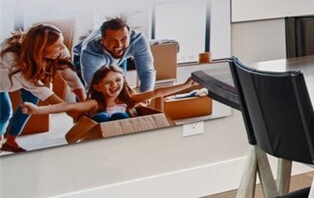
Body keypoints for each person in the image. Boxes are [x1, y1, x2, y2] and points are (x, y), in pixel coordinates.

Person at [1, 24, 83, 154]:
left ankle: (10, 142)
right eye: (58, 45)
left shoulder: (60, 50)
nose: (62, 48)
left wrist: (83, 103)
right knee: (4, 113)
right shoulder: (12, 57)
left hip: (26, 79)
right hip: (3, 84)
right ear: (41, 49)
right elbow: (40, 90)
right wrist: (70, 110)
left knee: (30, 104)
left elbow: (71, 76)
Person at [23, 66, 201, 125]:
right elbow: (67, 107)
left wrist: (185, 86)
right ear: (98, 87)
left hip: (126, 138)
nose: (115, 85)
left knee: (121, 115)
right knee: (101, 116)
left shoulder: (128, 100)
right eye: (108, 82)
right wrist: (37, 110)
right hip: (102, 141)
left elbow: (156, 93)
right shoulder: (94, 103)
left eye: (118, 80)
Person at [76, 16, 157, 93]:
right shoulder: (90, 53)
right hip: (81, 58)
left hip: (119, 59)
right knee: (88, 96)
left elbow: (147, 72)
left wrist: (145, 99)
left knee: (121, 88)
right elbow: (93, 88)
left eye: (123, 39)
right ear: (102, 40)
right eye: (112, 40)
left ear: (129, 36)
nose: (119, 45)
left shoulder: (138, 40)